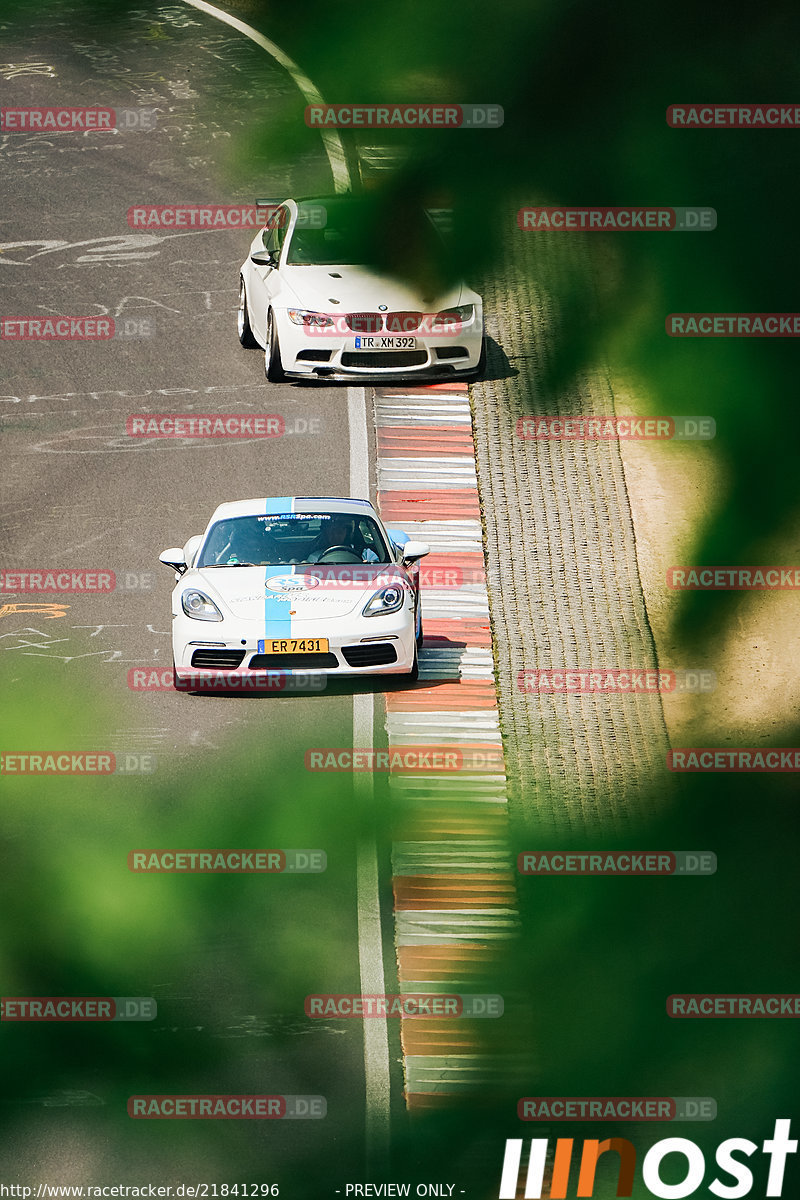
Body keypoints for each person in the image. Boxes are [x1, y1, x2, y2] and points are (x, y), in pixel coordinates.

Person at [306, 516, 378, 563]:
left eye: (339, 531)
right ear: (326, 533)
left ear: (347, 532)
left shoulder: (366, 554)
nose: (335, 534)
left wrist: (366, 566)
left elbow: (379, 569)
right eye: (331, 531)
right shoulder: (315, 558)